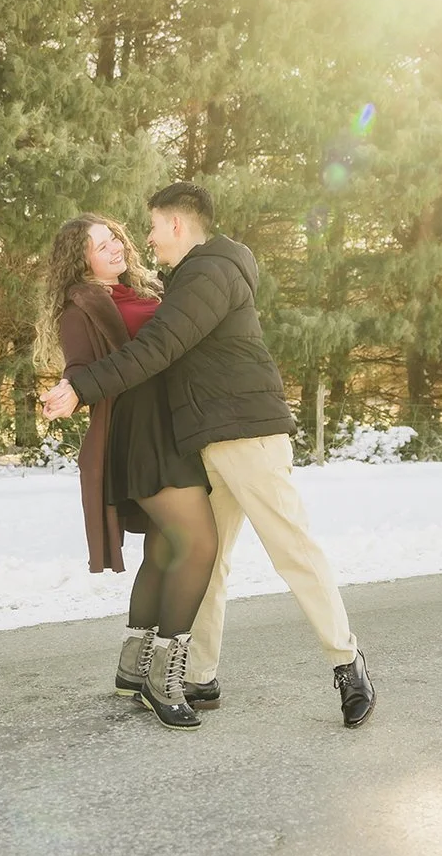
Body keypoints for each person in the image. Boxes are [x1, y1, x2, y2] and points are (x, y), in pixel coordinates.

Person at [42, 184, 376, 729]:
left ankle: (347, 663)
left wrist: (83, 389)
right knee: (208, 558)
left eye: (151, 227)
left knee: (292, 548)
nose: (144, 239)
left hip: (246, 434)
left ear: (176, 225)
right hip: (203, 442)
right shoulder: (187, 278)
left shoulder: (207, 275)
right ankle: (199, 673)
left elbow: (156, 349)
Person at [35, 213, 219, 730]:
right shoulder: (81, 306)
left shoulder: (141, 289)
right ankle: (165, 679)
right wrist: (71, 392)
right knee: (200, 544)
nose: (114, 246)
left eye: (113, 236)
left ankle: (131, 668)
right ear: (81, 259)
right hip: (140, 436)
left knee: (164, 549)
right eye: (99, 245)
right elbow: (78, 368)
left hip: (170, 428)